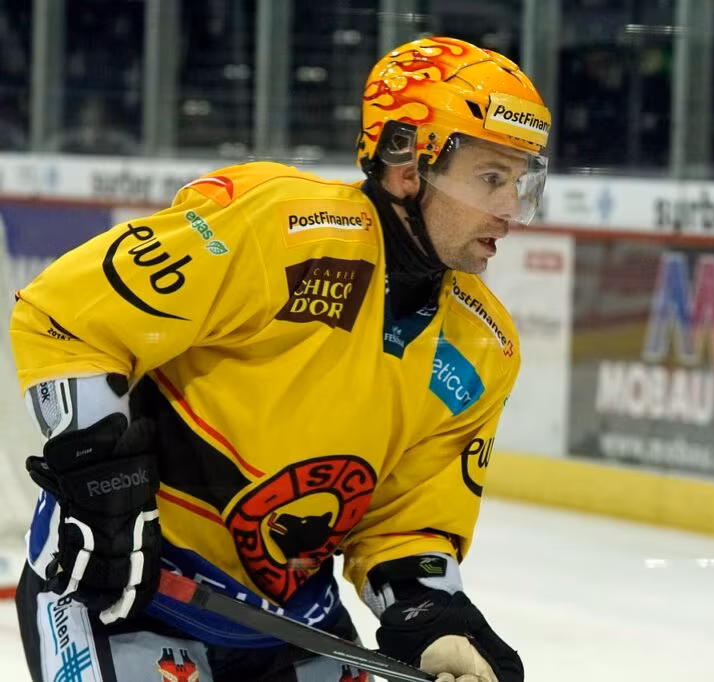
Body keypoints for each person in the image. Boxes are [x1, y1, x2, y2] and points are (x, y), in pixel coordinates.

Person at [10, 36, 550, 682]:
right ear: (408, 165)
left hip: (296, 621)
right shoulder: (280, 230)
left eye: (522, 182)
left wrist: (433, 617)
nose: (512, 210)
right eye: (493, 178)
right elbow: (67, 316)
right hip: (129, 592)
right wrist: (101, 484)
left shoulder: (484, 346)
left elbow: (409, 528)